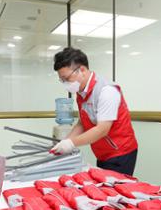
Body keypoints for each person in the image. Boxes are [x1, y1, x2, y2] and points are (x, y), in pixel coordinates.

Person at [51, 47, 138, 175]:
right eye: (62, 80)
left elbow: (102, 129)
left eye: (66, 78)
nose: (65, 83)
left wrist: (71, 143)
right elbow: (83, 122)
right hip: (102, 152)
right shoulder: (81, 92)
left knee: (113, 191)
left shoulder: (107, 90)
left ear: (82, 70)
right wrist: (65, 142)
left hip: (120, 153)